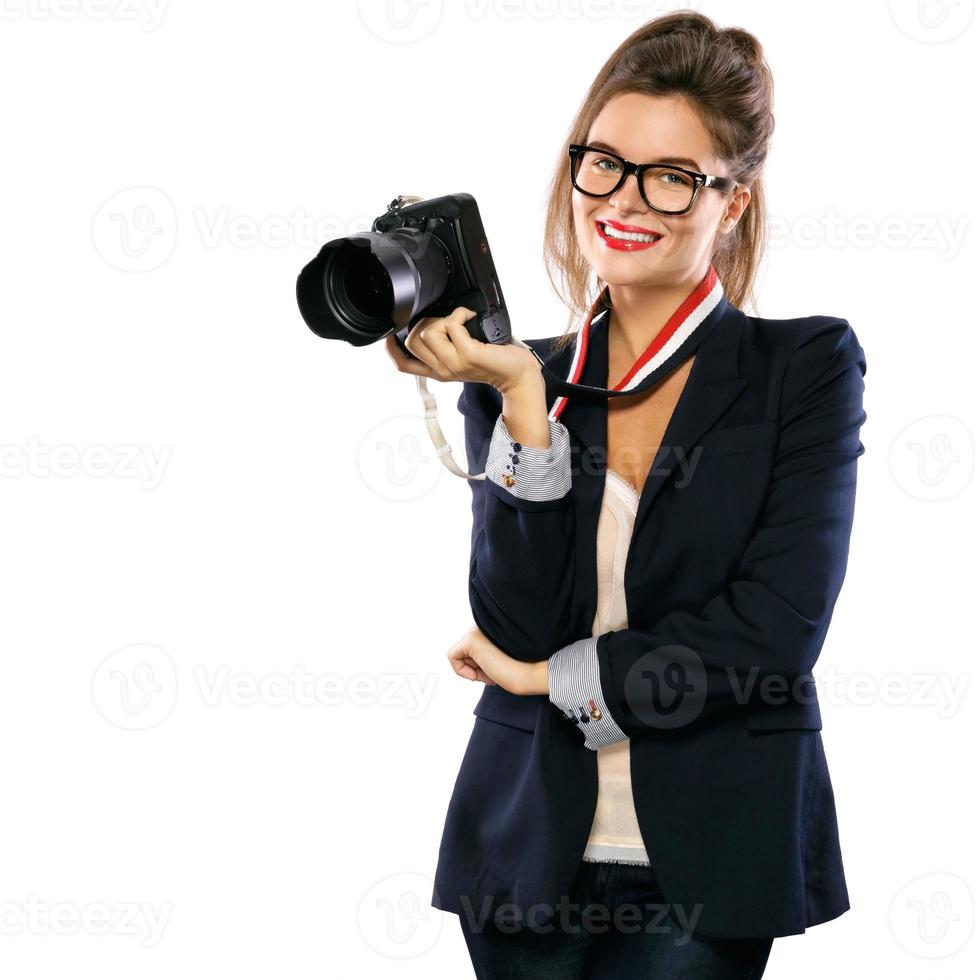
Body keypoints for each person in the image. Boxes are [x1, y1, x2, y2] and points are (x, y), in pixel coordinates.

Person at [385, 11, 866, 979]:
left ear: (731, 202)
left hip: (708, 850)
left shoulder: (801, 364)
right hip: (525, 849)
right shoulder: (524, 372)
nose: (623, 198)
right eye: (600, 161)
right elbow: (519, 616)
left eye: (671, 175)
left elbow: (775, 628)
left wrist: (549, 680)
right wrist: (519, 400)